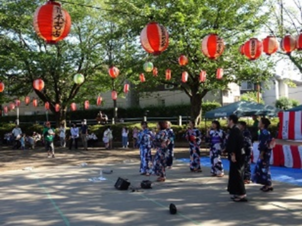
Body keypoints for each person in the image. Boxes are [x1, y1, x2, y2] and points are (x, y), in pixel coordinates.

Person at [226, 114, 247, 202]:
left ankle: (242, 194)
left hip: (237, 155)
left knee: (238, 174)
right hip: (238, 154)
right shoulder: (235, 130)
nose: (227, 122)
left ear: (231, 121)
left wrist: (233, 154)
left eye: (228, 120)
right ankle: (236, 192)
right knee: (234, 174)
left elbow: (235, 144)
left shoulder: (235, 130)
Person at [252, 118, 274, 192]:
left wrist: (261, 153)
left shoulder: (264, 132)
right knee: (264, 167)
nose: (258, 123)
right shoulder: (264, 132)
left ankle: (268, 184)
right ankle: (267, 183)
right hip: (266, 152)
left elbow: (263, 144)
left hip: (264, 152)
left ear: (263, 124)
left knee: (264, 168)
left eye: (260, 122)